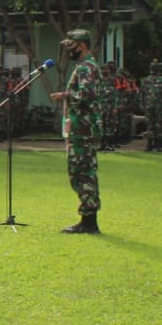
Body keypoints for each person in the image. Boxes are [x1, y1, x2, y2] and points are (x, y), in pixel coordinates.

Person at [49, 29, 103, 234]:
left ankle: (89, 221)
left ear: (81, 45)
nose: (68, 51)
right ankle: (87, 219)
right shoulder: (84, 66)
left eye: (71, 46)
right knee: (81, 172)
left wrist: (65, 95)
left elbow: (87, 94)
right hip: (80, 128)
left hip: (83, 129)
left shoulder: (86, 67)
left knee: (82, 173)